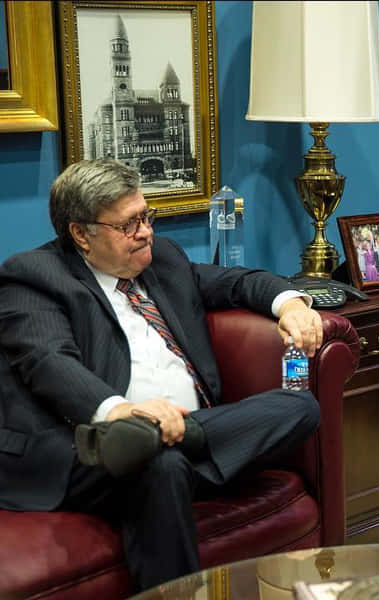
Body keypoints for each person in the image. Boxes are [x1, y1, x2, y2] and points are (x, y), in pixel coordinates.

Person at [0, 160, 324, 592]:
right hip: (84, 447)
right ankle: (153, 440)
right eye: (128, 224)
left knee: (301, 406)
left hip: (174, 435)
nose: (146, 231)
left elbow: (236, 282)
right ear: (82, 234)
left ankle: (171, 435)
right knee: (160, 465)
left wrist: (291, 305)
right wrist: (124, 413)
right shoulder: (35, 277)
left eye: (146, 216)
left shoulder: (162, 261)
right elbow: (49, 362)